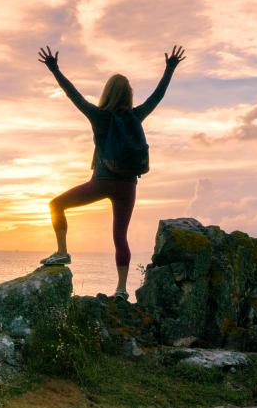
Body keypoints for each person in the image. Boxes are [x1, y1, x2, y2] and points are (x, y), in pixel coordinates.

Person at [37, 45, 185, 300]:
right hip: (128, 186)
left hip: (102, 182)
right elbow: (156, 97)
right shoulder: (136, 116)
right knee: (120, 237)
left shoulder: (99, 117)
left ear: (108, 93)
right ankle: (121, 289)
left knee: (56, 204)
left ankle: (62, 251)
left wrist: (55, 69)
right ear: (128, 95)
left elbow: (75, 96)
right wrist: (170, 68)